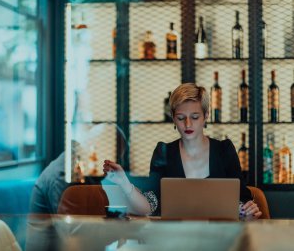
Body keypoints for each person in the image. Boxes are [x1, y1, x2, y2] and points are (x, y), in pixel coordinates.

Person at [103, 83, 262, 220]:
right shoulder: (163, 152)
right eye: (181, 118)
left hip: (221, 239)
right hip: (174, 240)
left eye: (194, 117)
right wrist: (124, 182)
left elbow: (242, 202)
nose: (187, 124)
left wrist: (248, 211)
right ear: (173, 118)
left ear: (206, 116)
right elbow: (148, 206)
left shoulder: (224, 150)